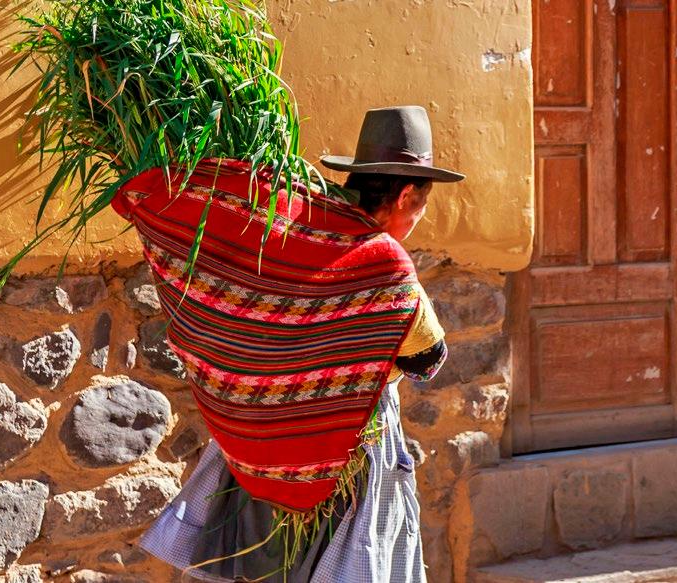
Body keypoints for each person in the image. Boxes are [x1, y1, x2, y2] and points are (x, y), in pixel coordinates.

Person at [134, 105, 465, 582]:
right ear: (405, 195)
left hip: (264, 446)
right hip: (343, 455)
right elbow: (427, 359)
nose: (419, 217)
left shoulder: (289, 230)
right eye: (422, 205)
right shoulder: (384, 261)